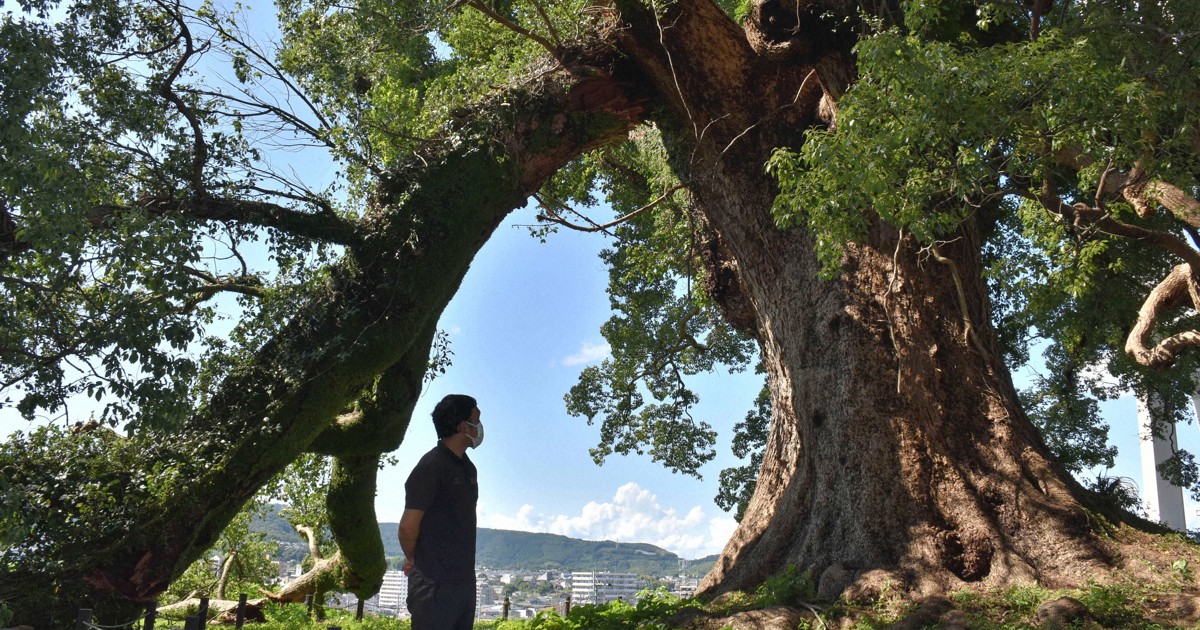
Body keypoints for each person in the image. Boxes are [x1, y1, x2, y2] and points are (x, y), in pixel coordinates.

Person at [399, 394, 483, 629]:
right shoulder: (430, 467)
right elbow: (407, 527)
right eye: (476, 420)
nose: (479, 427)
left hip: (464, 582)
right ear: (462, 426)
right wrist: (412, 558)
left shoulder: (468, 468)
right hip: (432, 585)